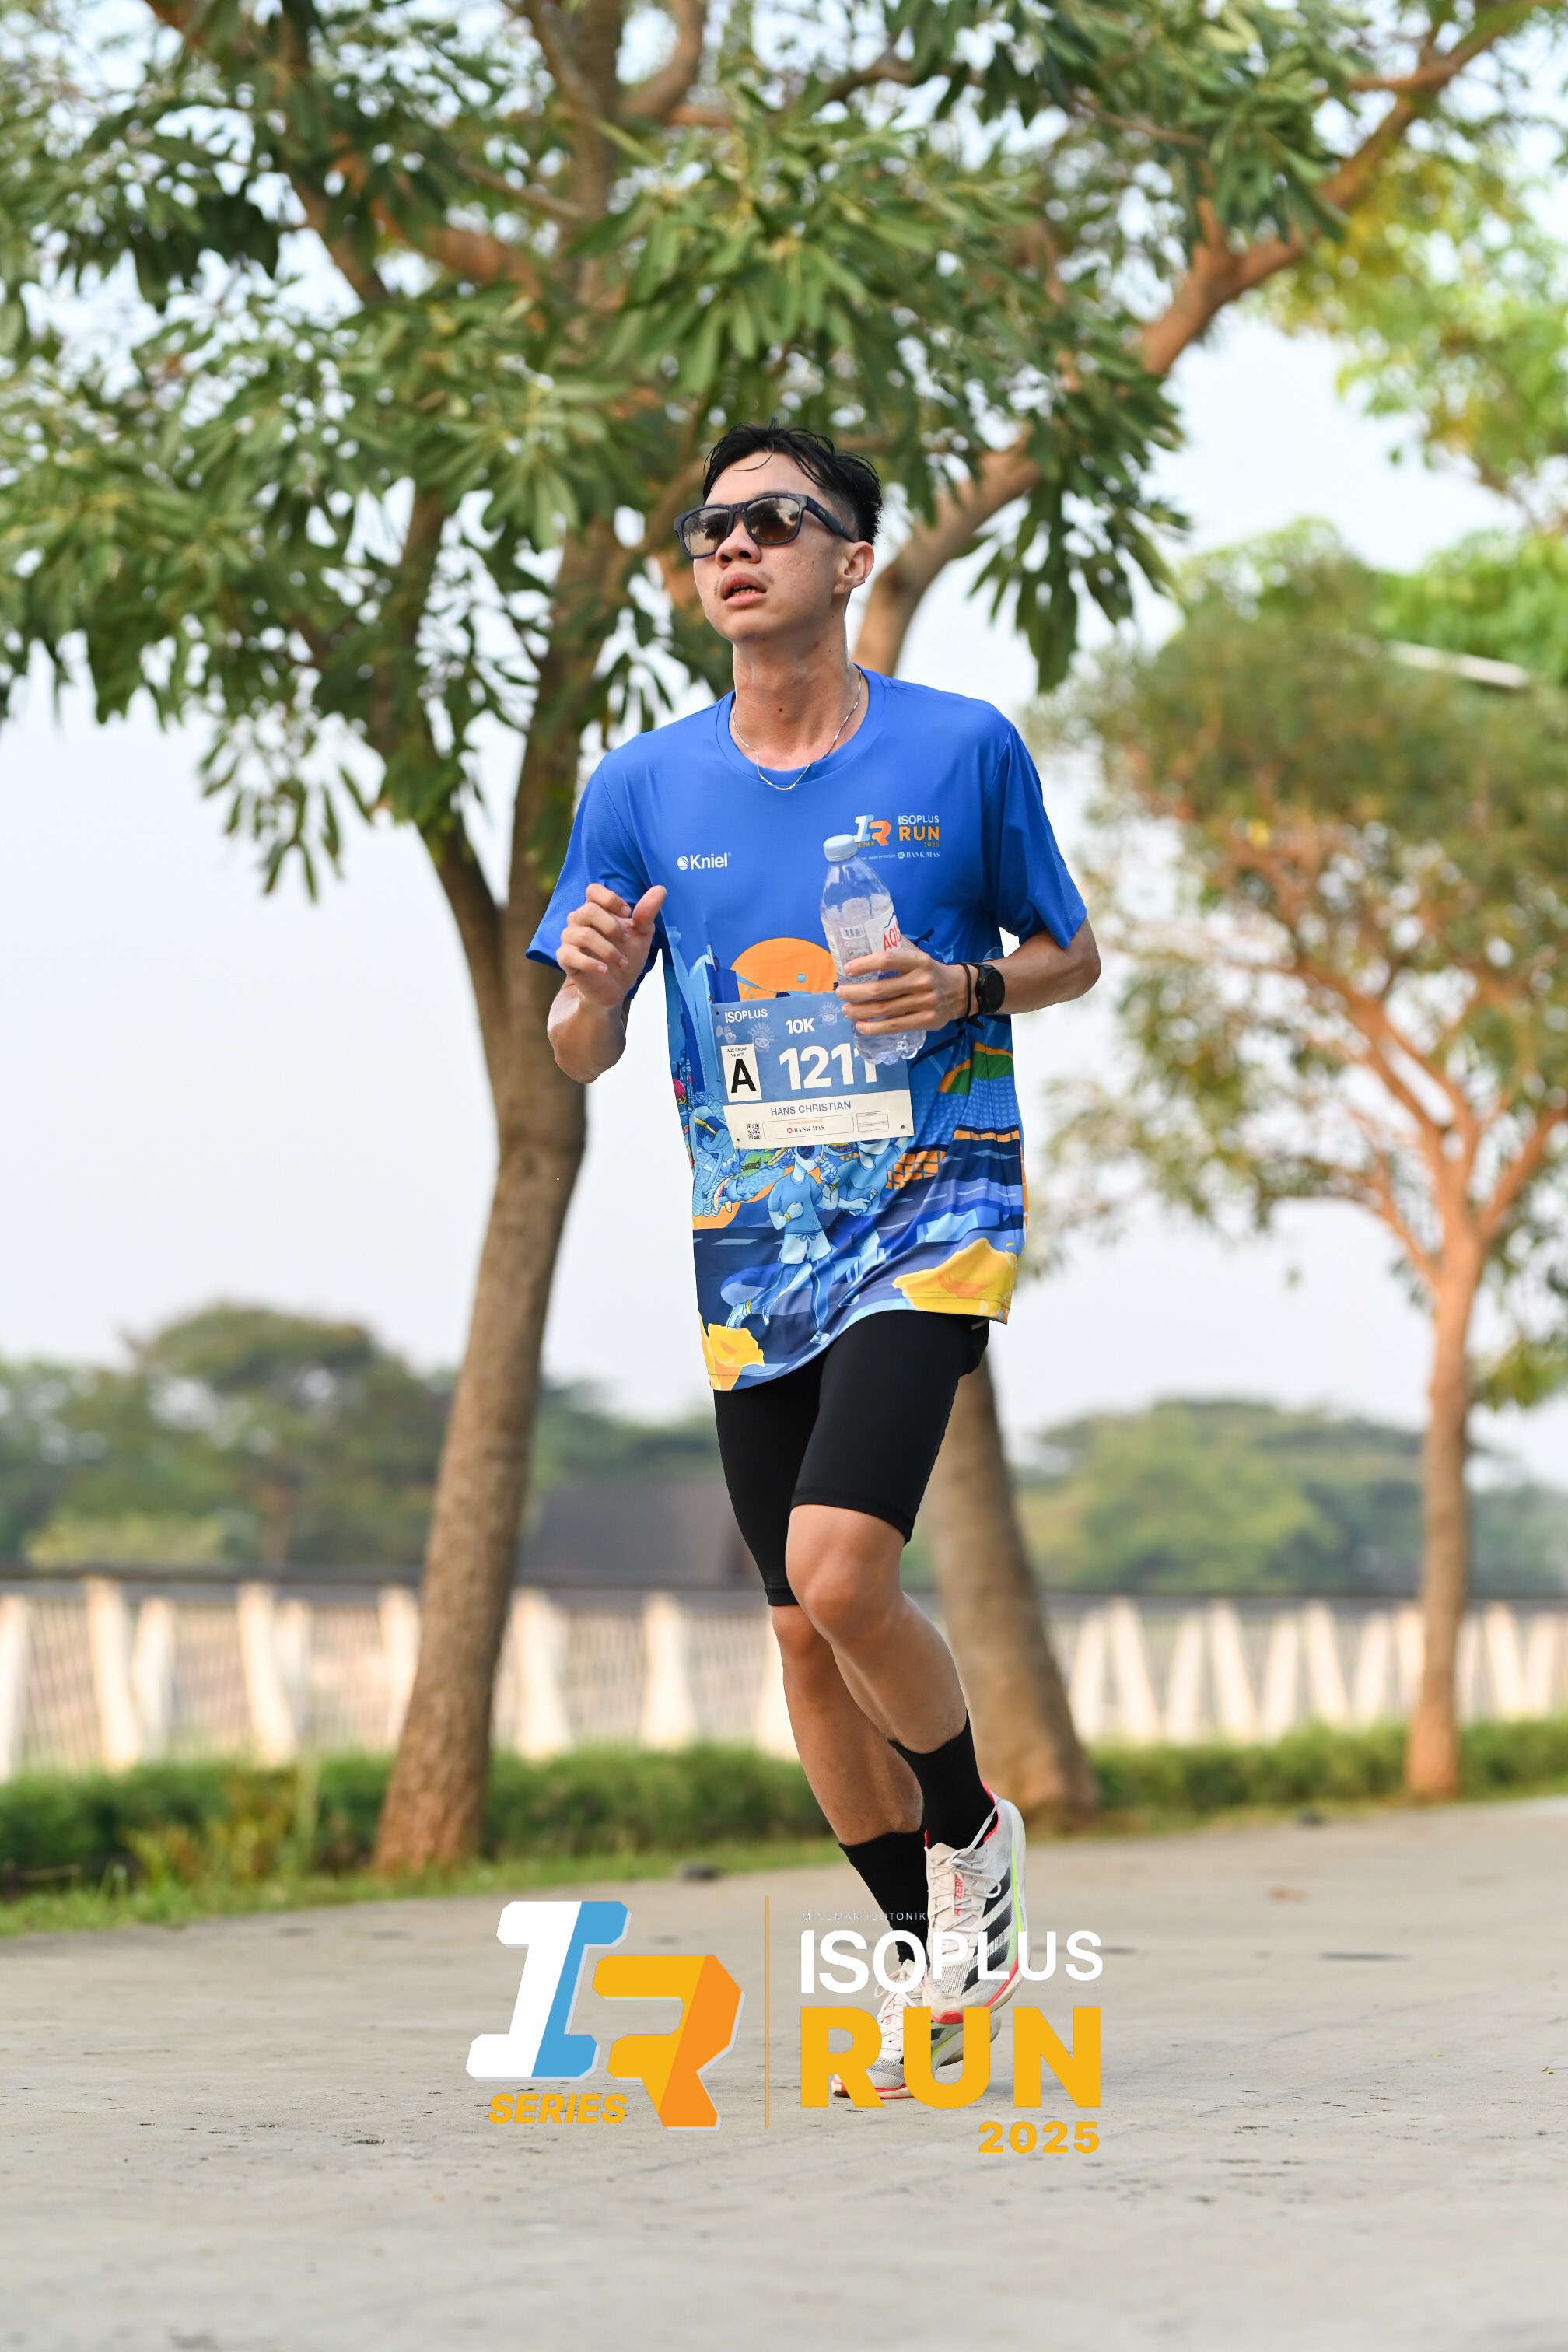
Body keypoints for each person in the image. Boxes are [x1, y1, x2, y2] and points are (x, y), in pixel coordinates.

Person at [531, 422, 1099, 2098]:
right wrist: (590, 988)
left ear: (851, 559)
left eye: (774, 520)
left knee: (842, 1575)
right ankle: (931, 1945)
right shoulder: (643, 787)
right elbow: (578, 1050)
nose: (734, 545)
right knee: (797, 1637)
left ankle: (969, 1829)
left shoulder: (959, 748)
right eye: (710, 526)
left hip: (932, 1213)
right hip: (755, 1246)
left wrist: (967, 988)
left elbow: (1070, 953)